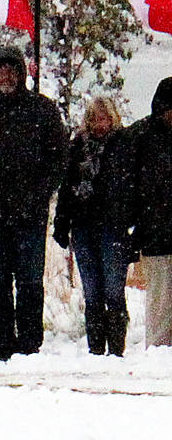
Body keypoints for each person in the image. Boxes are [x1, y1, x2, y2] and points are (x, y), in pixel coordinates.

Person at [0, 45, 67, 359]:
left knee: (30, 282)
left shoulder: (43, 110)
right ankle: (2, 344)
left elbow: (58, 159)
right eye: (1, 70)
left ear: (21, 73)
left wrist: (39, 195)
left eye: (12, 70)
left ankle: (31, 344)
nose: (6, 76)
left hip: (30, 214)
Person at [53, 96, 131, 355]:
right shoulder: (77, 148)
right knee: (92, 292)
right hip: (83, 225)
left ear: (112, 119)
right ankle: (96, 349)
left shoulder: (123, 146)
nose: (100, 124)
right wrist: (62, 222)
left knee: (113, 290)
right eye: (95, 118)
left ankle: (117, 350)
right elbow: (67, 188)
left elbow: (132, 189)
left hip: (113, 226)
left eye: (104, 118)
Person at [117, 77, 172, 346]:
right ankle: (158, 351)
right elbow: (127, 185)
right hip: (155, 232)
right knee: (160, 300)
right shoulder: (139, 136)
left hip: (158, 225)